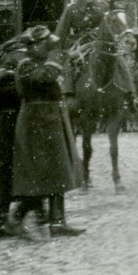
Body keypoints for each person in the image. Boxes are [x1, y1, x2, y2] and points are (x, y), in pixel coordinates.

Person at [9, 26, 84, 237]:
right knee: (39, 176)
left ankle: (58, 222)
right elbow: (45, 77)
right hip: (36, 124)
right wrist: (57, 54)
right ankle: (15, 219)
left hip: (49, 120)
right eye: (45, 44)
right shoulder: (25, 64)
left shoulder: (40, 62)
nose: (48, 47)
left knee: (58, 172)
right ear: (33, 46)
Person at [0, 34, 33, 238]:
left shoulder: (7, 74)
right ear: (9, 56)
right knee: (5, 177)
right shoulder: (5, 76)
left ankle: (2, 222)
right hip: (6, 130)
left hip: (6, 129)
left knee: (7, 177)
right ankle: (3, 223)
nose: (23, 57)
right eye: (19, 54)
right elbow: (20, 95)